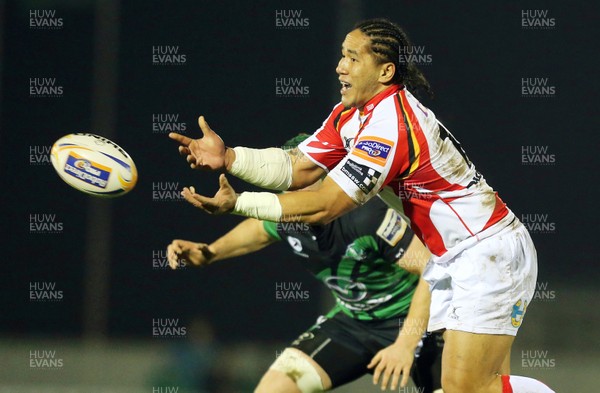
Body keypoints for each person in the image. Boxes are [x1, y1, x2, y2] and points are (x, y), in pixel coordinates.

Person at [169, 18, 554, 393]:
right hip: (456, 257)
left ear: (385, 71)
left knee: (466, 388)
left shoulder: (391, 126)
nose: (340, 66)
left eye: (353, 58)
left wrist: (239, 202)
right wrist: (231, 158)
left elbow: (324, 205)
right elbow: (296, 167)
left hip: (488, 252)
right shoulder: (351, 115)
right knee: (455, 387)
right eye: (342, 55)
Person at [168, 135, 443, 393]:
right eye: (293, 180)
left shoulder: (366, 216)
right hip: (353, 324)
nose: (298, 187)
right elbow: (258, 230)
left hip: (419, 322)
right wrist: (211, 252)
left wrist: (406, 343)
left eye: (309, 175)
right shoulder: (287, 214)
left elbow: (432, 270)